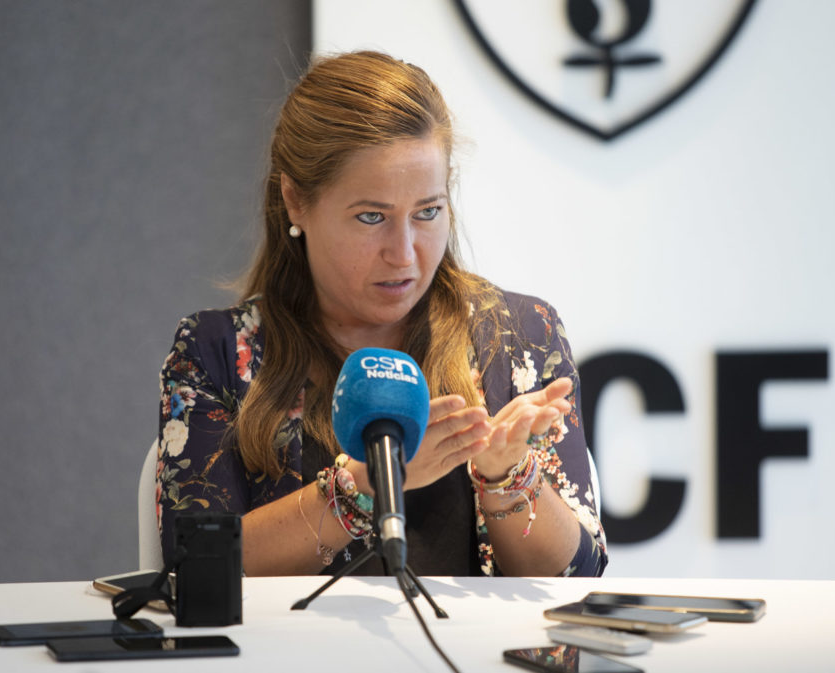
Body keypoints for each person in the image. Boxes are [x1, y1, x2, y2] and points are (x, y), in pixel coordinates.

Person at [156, 50, 607, 577]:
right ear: (295, 201)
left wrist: (509, 474)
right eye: (372, 217)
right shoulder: (214, 352)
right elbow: (194, 571)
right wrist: (362, 484)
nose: (405, 252)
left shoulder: (524, 337)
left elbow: (577, 580)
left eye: (428, 212)